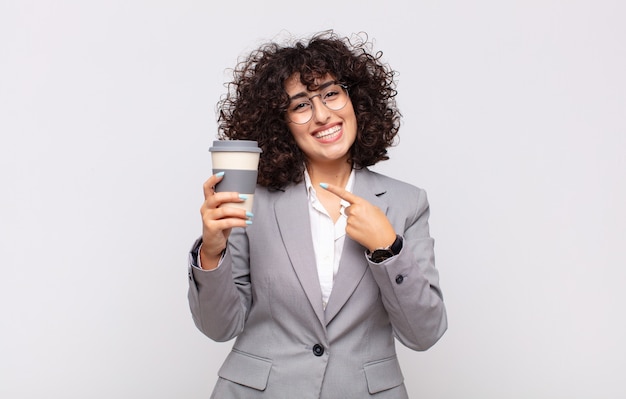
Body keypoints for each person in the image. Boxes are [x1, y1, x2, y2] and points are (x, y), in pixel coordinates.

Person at [187, 30, 447, 399]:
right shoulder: (250, 200)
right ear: (282, 124)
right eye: (300, 105)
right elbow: (219, 327)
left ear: (355, 99)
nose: (322, 114)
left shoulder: (407, 202)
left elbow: (425, 333)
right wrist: (211, 253)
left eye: (330, 94)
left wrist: (387, 248)